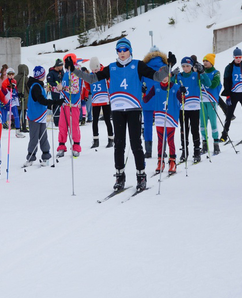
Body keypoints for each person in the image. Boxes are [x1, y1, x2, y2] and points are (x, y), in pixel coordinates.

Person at [71, 38, 171, 192]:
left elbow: (157, 77)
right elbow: (92, 79)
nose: (122, 53)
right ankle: (119, 176)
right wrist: (74, 70)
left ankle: (141, 175)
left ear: (130, 50)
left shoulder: (138, 65)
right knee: (119, 144)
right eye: (119, 50)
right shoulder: (111, 68)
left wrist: (168, 66)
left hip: (134, 109)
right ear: (116, 52)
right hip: (117, 110)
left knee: (136, 144)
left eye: (125, 49)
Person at [143, 72, 185, 174]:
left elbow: (183, 101)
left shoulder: (175, 87)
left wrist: (183, 92)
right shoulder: (156, 87)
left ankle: (172, 162)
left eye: (166, 76)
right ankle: (160, 162)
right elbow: (145, 100)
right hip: (160, 116)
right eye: (161, 77)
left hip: (171, 116)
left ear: (169, 76)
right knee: (160, 140)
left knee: (170, 140)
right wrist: (143, 92)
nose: (164, 79)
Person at [24, 66, 64, 166]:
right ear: (41, 76)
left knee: (43, 136)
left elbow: (43, 101)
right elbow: (41, 100)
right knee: (34, 137)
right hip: (34, 116)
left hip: (40, 115)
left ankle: (46, 156)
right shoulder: (36, 86)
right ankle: (31, 157)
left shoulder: (39, 85)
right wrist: (54, 102)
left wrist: (52, 104)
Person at [176, 56, 211, 163]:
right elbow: (170, 85)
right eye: (183, 66)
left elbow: (208, 84)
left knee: (195, 129)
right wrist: (172, 75)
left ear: (191, 66)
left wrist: (203, 72)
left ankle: (196, 150)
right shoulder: (179, 76)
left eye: (187, 66)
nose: (185, 68)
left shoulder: (196, 75)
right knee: (184, 130)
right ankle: (184, 150)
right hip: (183, 107)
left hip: (194, 107)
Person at [142, 45, 168, 158]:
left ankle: (148, 151)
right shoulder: (165, 66)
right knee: (162, 124)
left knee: (147, 124)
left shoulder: (144, 66)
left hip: (147, 97)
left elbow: (140, 82)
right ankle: (162, 150)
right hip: (161, 98)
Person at [57, 53, 82, 158]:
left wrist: (63, 88)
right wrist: (55, 88)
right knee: (62, 125)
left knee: (73, 126)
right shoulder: (67, 72)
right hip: (64, 103)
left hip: (73, 104)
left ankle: (76, 146)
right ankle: (61, 146)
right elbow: (62, 87)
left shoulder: (76, 72)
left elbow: (75, 89)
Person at [88, 57, 114, 149]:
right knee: (95, 120)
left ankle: (111, 139)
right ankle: (95, 140)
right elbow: (87, 86)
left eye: (96, 69)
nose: (94, 71)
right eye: (93, 70)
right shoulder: (91, 75)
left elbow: (110, 83)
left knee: (107, 119)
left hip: (105, 100)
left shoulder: (104, 73)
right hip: (95, 100)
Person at [200, 53, 222, 155]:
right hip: (202, 100)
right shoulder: (200, 73)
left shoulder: (216, 73)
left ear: (211, 63)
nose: (205, 63)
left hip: (211, 100)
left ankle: (216, 144)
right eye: (204, 61)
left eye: (207, 61)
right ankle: (204, 144)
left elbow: (213, 85)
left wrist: (203, 74)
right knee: (203, 124)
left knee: (213, 123)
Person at [2, 68, 25, 138]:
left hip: (13, 101)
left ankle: (18, 131)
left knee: (16, 115)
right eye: (9, 74)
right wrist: (9, 89)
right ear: (7, 75)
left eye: (12, 74)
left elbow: (15, 90)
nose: (11, 76)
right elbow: (4, 92)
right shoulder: (5, 82)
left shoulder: (14, 81)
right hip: (6, 101)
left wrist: (19, 94)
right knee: (3, 118)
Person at [47, 58, 64, 126]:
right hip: (55, 92)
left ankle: (63, 120)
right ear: (57, 66)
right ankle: (57, 121)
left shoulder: (62, 71)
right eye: (61, 66)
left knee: (63, 105)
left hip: (62, 91)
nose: (62, 67)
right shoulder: (51, 73)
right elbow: (49, 82)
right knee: (56, 106)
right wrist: (56, 85)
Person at [16, 64, 30, 132]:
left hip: (17, 98)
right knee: (24, 113)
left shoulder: (15, 78)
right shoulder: (26, 78)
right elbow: (28, 88)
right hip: (24, 98)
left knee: (18, 113)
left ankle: (18, 126)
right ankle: (24, 127)